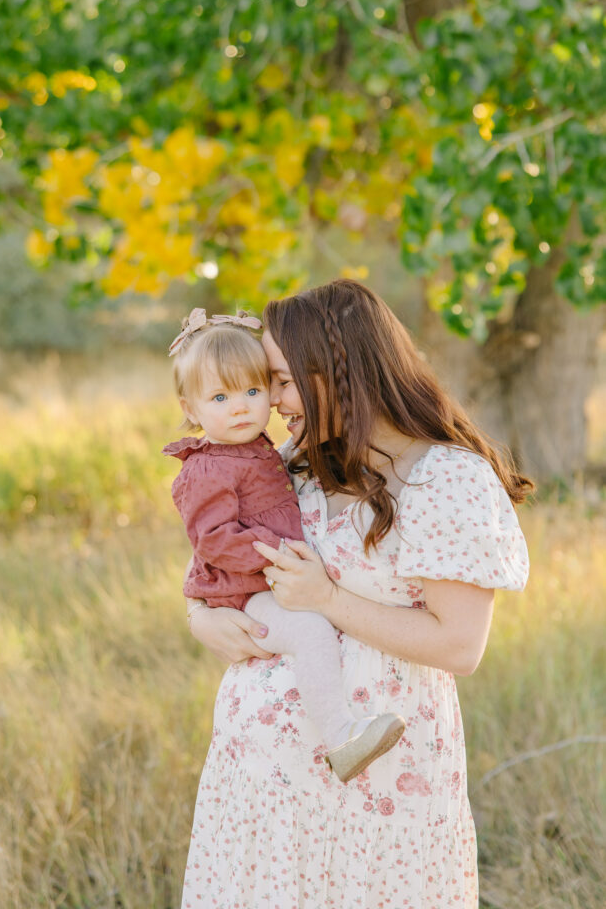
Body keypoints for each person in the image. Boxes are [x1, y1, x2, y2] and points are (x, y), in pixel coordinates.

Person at [181, 279, 532, 909]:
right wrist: (197, 615)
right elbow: (216, 553)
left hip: (381, 789)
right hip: (262, 785)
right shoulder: (296, 461)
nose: (272, 401)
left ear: (337, 369)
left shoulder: (444, 478)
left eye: (283, 381)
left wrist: (328, 600)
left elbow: (459, 645)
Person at [163, 307, 406, 783]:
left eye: (253, 391)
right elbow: (211, 541)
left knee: (310, 629)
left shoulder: (273, 452)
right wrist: (274, 556)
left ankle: (340, 731)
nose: (243, 406)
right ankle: (340, 737)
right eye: (219, 397)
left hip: (262, 587)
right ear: (190, 410)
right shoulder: (208, 468)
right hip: (250, 592)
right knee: (311, 632)